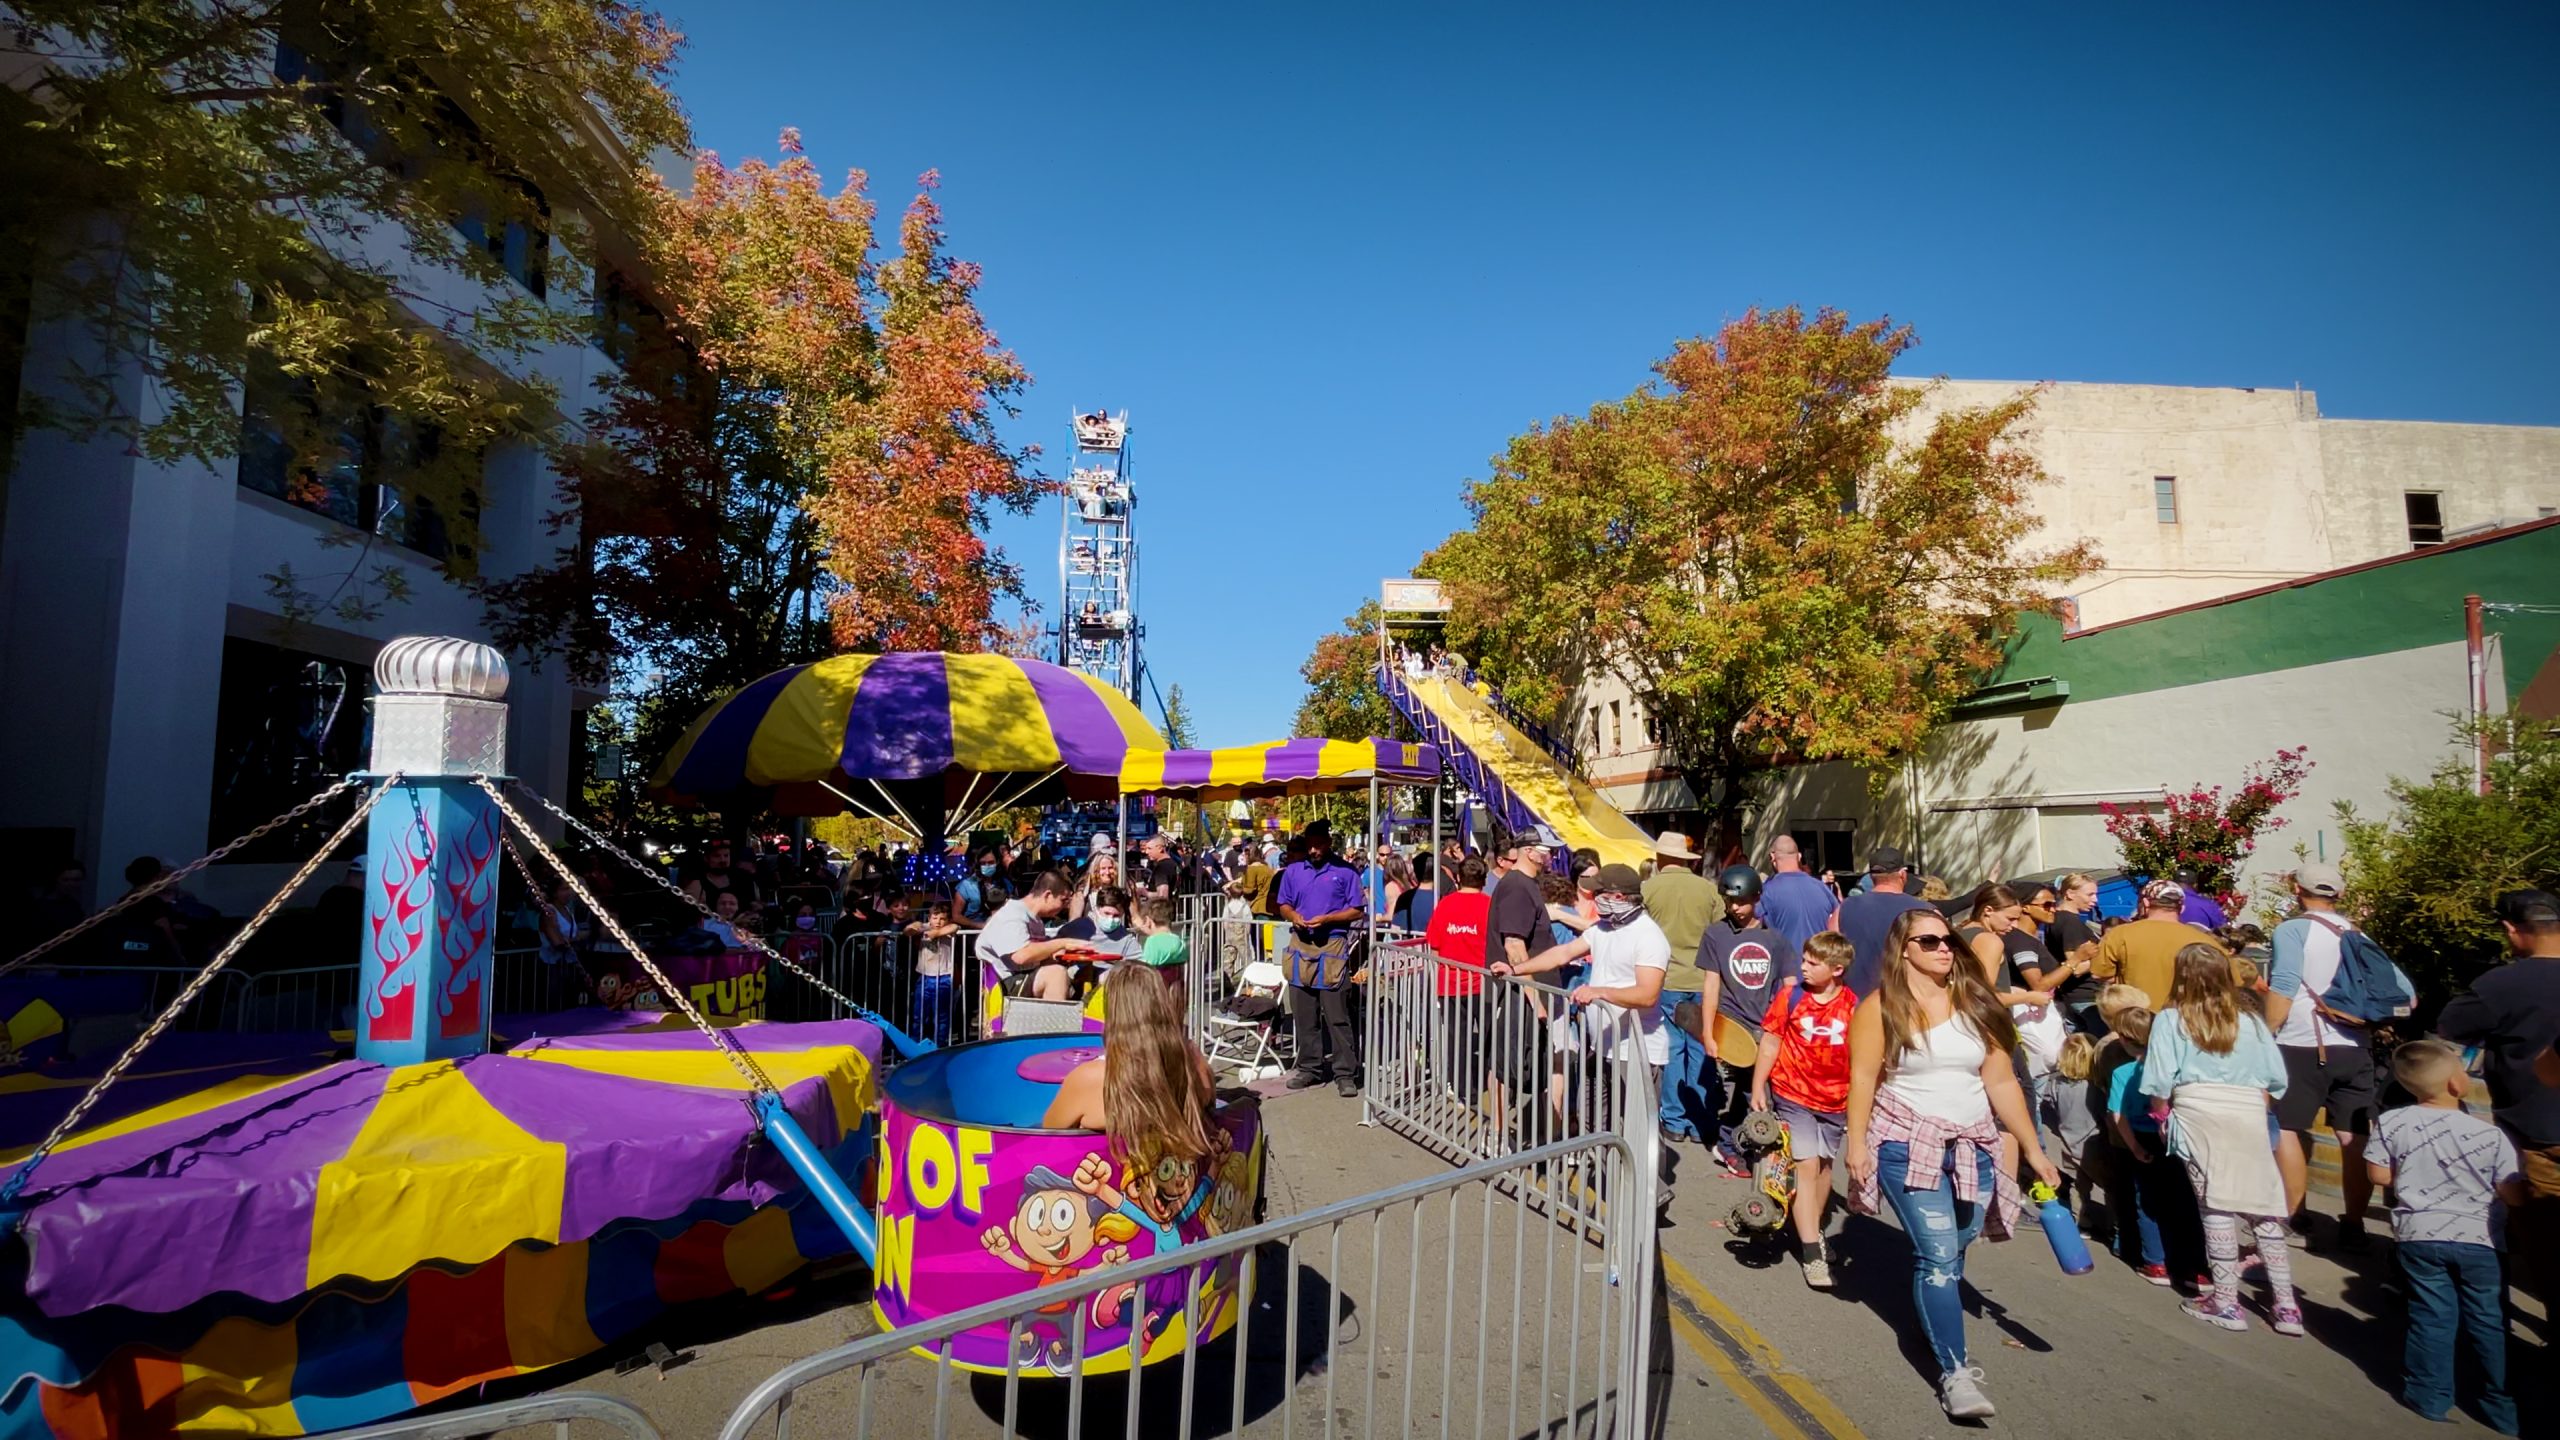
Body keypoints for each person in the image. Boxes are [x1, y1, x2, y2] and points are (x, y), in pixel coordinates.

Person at [1843, 906, 2057, 1421]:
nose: (1944, 948)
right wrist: (1857, 1145)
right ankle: (1955, 1373)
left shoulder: (1976, 1003)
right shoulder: (1880, 1007)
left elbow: (2001, 1081)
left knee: (1959, 1245)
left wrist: (2033, 1149)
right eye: (1930, 941)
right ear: (1904, 950)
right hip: (1903, 1143)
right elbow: (1863, 1079)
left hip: (1971, 1146)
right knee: (1938, 1254)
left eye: (1948, 941)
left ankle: (1931, 1316)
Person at [2139, 944, 2300, 1335]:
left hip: (2198, 1111)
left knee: (2216, 1206)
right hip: (2247, 1111)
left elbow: (2160, 1078)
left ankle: (2226, 1300)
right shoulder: (2250, 1020)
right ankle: (2286, 1306)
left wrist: (2161, 1114)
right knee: (2263, 1208)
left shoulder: (2172, 1019)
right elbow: (2276, 1077)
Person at [2368, 1038, 2524, 1434]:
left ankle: (2430, 1396)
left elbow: (2379, 1176)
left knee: (2431, 1315)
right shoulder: (2489, 1134)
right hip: (2480, 1241)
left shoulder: (2392, 1121)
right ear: (2457, 1084)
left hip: (2419, 1234)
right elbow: (2511, 1192)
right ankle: (2499, 1404)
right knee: (2489, 1321)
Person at [1492, 862, 1672, 1206]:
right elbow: (1562, 953)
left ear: (1619, 896)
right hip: (1601, 1046)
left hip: (1636, 1049)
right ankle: (1623, 1191)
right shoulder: (1602, 929)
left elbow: (1648, 994)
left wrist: (1599, 992)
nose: (1595, 898)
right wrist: (1516, 968)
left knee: (1637, 1126)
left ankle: (1650, 1195)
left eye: (1601, 892)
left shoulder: (1649, 937)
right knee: (1598, 1121)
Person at [2435, 887, 2560, 1313]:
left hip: (2536, 1133)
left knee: (2546, 1243)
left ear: (2512, 930)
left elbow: (2450, 1025)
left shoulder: (2502, 983)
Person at [2263, 862, 2379, 1251]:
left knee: (2289, 1127)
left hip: (2303, 1039)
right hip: (2355, 1041)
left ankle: (2296, 1215)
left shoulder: (2293, 930)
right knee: (2353, 1133)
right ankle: (2354, 1222)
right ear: (2339, 895)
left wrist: (2267, 1032)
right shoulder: (2357, 933)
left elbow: (2283, 983)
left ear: (2297, 889)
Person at [1749, 930, 1859, 1289]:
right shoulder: (1790, 997)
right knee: (1806, 1165)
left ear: (1837, 969)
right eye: (1805, 960)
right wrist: (1758, 1086)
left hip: (1836, 1100)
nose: (1804, 967)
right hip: (1792, 1094)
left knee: (1824, 1169)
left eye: (1814, 963)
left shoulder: (1853, 1006)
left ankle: (1809, 1228)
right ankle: (1812, 1252)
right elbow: (1770, 1041)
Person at [1041, 962, 1219, 1153]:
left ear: (1112, 1011)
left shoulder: (1089, 1078)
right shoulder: (1192, 1059)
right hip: (1183, 1174)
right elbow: (1211, 1107)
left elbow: (1045, 1138)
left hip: (1113, 1177)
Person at [2106, 1003, 2206, 1288]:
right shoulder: (2175, 1067)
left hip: (2143, 1138)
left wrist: (2134, 1146)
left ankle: (2156, 1262)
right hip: (2176, 1137)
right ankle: (2196, 1266)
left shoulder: (2123, 1073)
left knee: (2147, 1202)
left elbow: (2118, 1114)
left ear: (2124, 1039)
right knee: (2185, 1201)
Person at [1698, 865, 1788, 1172]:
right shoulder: (1715, 934)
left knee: (1756, 1089)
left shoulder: (1775, 939)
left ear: (1758, 898)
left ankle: (1738, 1141)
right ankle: (1734, 1144)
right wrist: (1708, 1032)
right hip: (1732, 1025)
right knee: (1747, 1089)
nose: (1735, 907)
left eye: (1743, 901)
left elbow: (1788, 985)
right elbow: (1711, 984)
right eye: (1730, 901)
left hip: (1766, 1026)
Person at [1275, 821, 1366, 1095]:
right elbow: (1283, 904)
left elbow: (1357, 910)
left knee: (1337, 1015)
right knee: (1304, 1014)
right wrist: (1294, 917)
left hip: (1333, 945)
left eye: (1319, 844)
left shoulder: (1346, 872)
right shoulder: (1292, 871)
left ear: (1328, 843)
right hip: (1301, 943)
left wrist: (1328, 918)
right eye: (1310, 845)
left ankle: (1345, 1073)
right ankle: (1309, 1068)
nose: (1314, 850)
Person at [1642, 832, 1720, 1147]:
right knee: (1702, 1047)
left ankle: (1674, 1120)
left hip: (1666, 978)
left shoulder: (1648, 889)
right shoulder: (1708, 890)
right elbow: (1719, 931)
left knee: (1672, 1049)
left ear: (1660, 858)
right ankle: (1702, 1119)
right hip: (1703, 980)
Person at [2094, 879, 2230, 1011]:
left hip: (2136, 1020)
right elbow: (2231, 980)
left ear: (2145, 903)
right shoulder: (2204, 940)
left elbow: (2099, 973)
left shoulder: (2120, 934)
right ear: (2181, 908)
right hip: (2186, 1020)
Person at [1424, 857, 1494, 1107]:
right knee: (1489, 1037)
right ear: (1484, 880)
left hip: (1450, 982)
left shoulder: (1446, 904)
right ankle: (1491, 1085)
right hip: (1483, 983)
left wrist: (1437, 978)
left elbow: (1434, 945)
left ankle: (1466, 1091)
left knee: (1458, 1038)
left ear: (1458, 878)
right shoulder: (1490, 905)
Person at [1835, 846, 1930, 997]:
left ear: (1872, 877)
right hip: (1908, 1003)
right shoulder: (1926, 912)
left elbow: (1830, 954)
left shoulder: (1843, 908)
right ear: (1903, 875)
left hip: (1857, 1005)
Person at [977, 871, 1083, 1001]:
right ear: (1048, 895)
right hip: (1003, 985)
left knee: (1078, 973)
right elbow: (1021, 956)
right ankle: (1053, 1020)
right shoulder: (1012, 915)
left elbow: (1037, 956)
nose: (1065, 906)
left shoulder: (1036, 920)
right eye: (1063, 900)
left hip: (1023, 977)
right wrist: (1062, 943)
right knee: (1056, 974)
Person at [2039, 873, 2108, 1029]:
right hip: (2085, 998)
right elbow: (2076, 967)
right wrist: (2106, 954)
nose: (2095, 900)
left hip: (2070, 996)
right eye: (2090, 894)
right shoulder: (2070, 923)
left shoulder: (2055, 919)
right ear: (2070, 894)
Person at [1757, 836, 1836, 964]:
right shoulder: (1822, 888)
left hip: (1787, 975)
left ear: (1772, 857)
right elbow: (1837, 926)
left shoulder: (1766, 892)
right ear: (1799, 856)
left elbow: (1754, 928)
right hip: (1821, 972)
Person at [905, 892, 960, 1047]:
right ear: (929, 918)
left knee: (941, 1016)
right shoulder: (924, 928)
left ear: (947, 919)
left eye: (942, 918)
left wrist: (937, 933)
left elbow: (956, 926)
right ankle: (916, 1043)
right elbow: (908, 931)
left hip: (943, 977)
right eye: (935, 918)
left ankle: (939, 1044)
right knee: (919, 1014)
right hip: (924, 977)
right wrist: (914, 926)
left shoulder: (949, 929)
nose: (938, 921)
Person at [534, 878, 588, 1011]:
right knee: (554, 1005)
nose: (568, 893)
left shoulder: (568, 910)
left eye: (569, 888)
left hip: (569, 965)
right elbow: (557, 942)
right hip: (552, 967)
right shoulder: (549, 911)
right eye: (563, 889)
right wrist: (578, 938)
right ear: (554, 892)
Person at [1134, 895, 1188, 990]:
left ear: (1148, 921)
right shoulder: (1179, 942)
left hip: (1158, 991)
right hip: (1177, 991)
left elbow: (1147, 968)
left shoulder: (1153, 942)